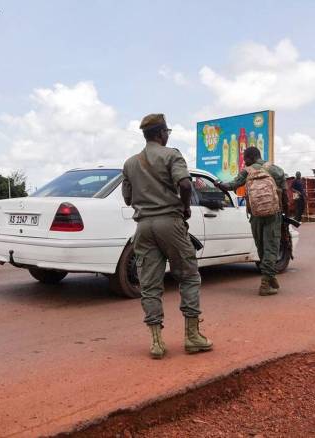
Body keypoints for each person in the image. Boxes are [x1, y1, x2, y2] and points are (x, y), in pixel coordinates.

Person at [121, 113, 212, 360]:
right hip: (170, 223)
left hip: (143, 227)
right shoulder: (172, 154)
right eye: (167, 132)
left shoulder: (130, 163)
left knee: (150, 284)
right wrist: (185, 207)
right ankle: (192, 337)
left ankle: (156, 342)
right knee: (189, 276)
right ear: (162, 133)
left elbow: (127, 198)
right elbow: (184, 185)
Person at [218, 146, 287, 296]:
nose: (244, 161)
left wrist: (219, 185)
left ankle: (268, 278)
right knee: (271, 247)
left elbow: (231, 185)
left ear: (250, 157)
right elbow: (284, 190)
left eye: (245, 158)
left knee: (261, 247)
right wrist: (285, 212)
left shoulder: (247, 171)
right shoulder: (274, 169)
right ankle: (266, 283)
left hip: (255, 214)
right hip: (273, 213)